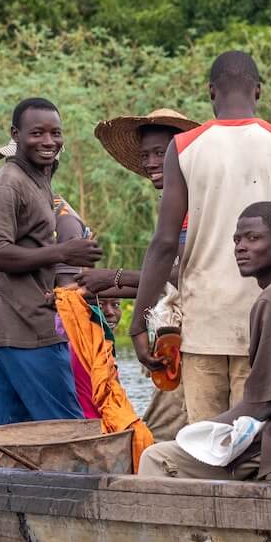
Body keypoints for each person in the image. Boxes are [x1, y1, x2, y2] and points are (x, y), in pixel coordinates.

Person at [130, 53, 271, 424]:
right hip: (265, 320)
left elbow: (163, 243)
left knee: (202, 442)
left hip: (203, 321)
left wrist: (139, 321)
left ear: (211, 92)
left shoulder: (185, 147)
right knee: (252, 441)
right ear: (258, 91)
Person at [136, 202, 271, 481]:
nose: (240, 247)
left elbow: (265, 403)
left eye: (253, 238)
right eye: (237, 240)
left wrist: (197, 432)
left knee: (157, 457)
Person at [0, 97, 102, 425]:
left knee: (7, 439)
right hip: (24, 329)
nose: (49, 142)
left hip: (10, 328)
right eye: (37, 134)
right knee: (68, 431)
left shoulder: (38, 178)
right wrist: (63, 253)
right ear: (15, 135)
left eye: (55, 133)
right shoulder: (7, 184)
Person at [92, 108, 199, 441]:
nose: (152, 162)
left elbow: (184, 275)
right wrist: (105, 286)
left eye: (159, 153)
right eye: (145, 155)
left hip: (200, 330)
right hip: (184, 330)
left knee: (164, 430)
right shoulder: (173, 201)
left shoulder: (195, 200)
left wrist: (115, 278)